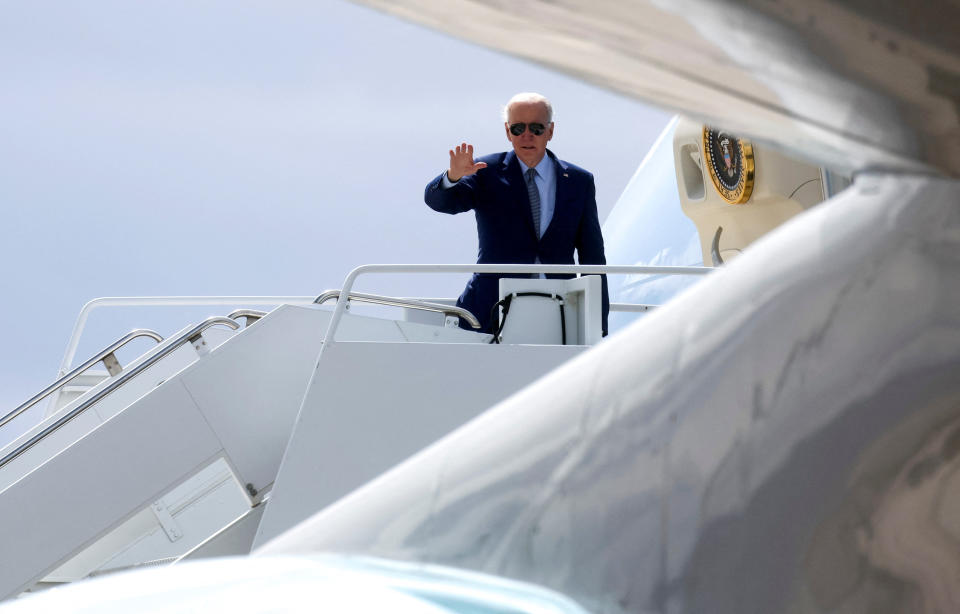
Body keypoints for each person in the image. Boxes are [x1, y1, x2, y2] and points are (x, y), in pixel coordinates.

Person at [424, 92, 609, 335]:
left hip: (560, 311)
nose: (527, 135)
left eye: (536, 128)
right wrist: (453, 177)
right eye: (518, 128)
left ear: (550, 131)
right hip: (490, 311)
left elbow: (592, 255)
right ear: (507, 131)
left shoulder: (579, 181)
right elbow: (439, 202)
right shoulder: (485, 171)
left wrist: (597, 323)